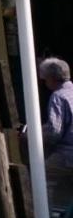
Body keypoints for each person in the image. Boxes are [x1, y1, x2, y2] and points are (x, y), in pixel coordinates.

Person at [40, 57, 73, 209]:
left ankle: (45, 216)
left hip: (67, 154)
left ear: (52, 79)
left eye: (45, 79)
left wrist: (35, 136)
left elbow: (55, 132)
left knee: (38, 175)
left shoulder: (58, 96)